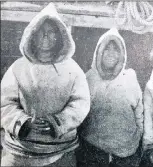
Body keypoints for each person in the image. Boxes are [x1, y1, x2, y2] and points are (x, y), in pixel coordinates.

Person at [1, 3, 90, 166]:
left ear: (59, 36)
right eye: (40, 32)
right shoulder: (18, 67)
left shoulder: (73, 69)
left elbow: (81, 103)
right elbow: (5, 103)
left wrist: (58, 122)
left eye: (50, 33)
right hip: (20, 152)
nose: (45, 37)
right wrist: (24, 122)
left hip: (61, 151)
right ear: (32, 35)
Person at [76, 28, 143, 167]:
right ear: (99, 51)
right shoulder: (89, 78)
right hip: (93, 151)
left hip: (126, 153)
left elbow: (139, 114)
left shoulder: (129, 78)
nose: (111, 53)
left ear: (122, 53)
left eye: (116, 49)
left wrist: (136, 140)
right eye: (107, 48)